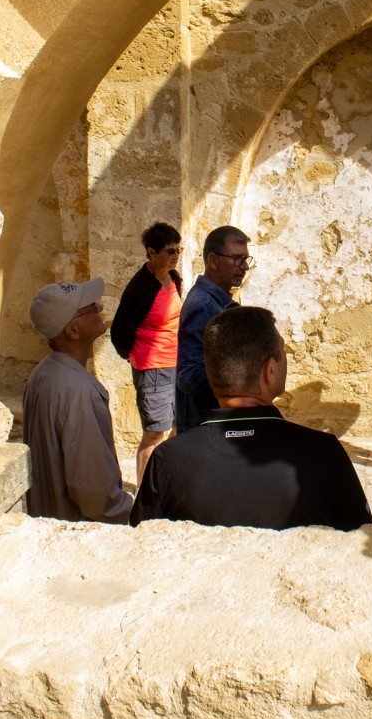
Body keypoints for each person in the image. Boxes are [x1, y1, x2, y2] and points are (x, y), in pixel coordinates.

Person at [131, 306, 372, 531]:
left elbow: (142, 543)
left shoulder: (167, 459)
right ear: (270, 371)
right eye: (282, 351)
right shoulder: (325, 455)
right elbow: (361, 536)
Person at [23, 278, 133, 523]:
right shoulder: (80, 392)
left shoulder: (43, 373)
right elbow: (97, 496)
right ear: (72, 331)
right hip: (76, 530)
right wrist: (132, 513)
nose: (100, 309)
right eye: (91, 307)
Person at [110, 222, 183, 485]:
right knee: (154, 433)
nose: (175, 256)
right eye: (169, 251)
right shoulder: (139, 289)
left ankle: (168, 479)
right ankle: (143, 491)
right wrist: (137, 357)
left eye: (178, 250)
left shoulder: (173, 279)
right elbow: (119, 334)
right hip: (152, 369)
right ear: (151, 252)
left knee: (179, 426)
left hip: (176, 364)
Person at [175, 225, 253, 433]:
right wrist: (244, 374)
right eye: (237, 258)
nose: (244, 266)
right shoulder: (204, 306)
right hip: (203, 428)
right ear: (212, 260)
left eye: (246, 259)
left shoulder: (217, 302)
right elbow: (188, 376)